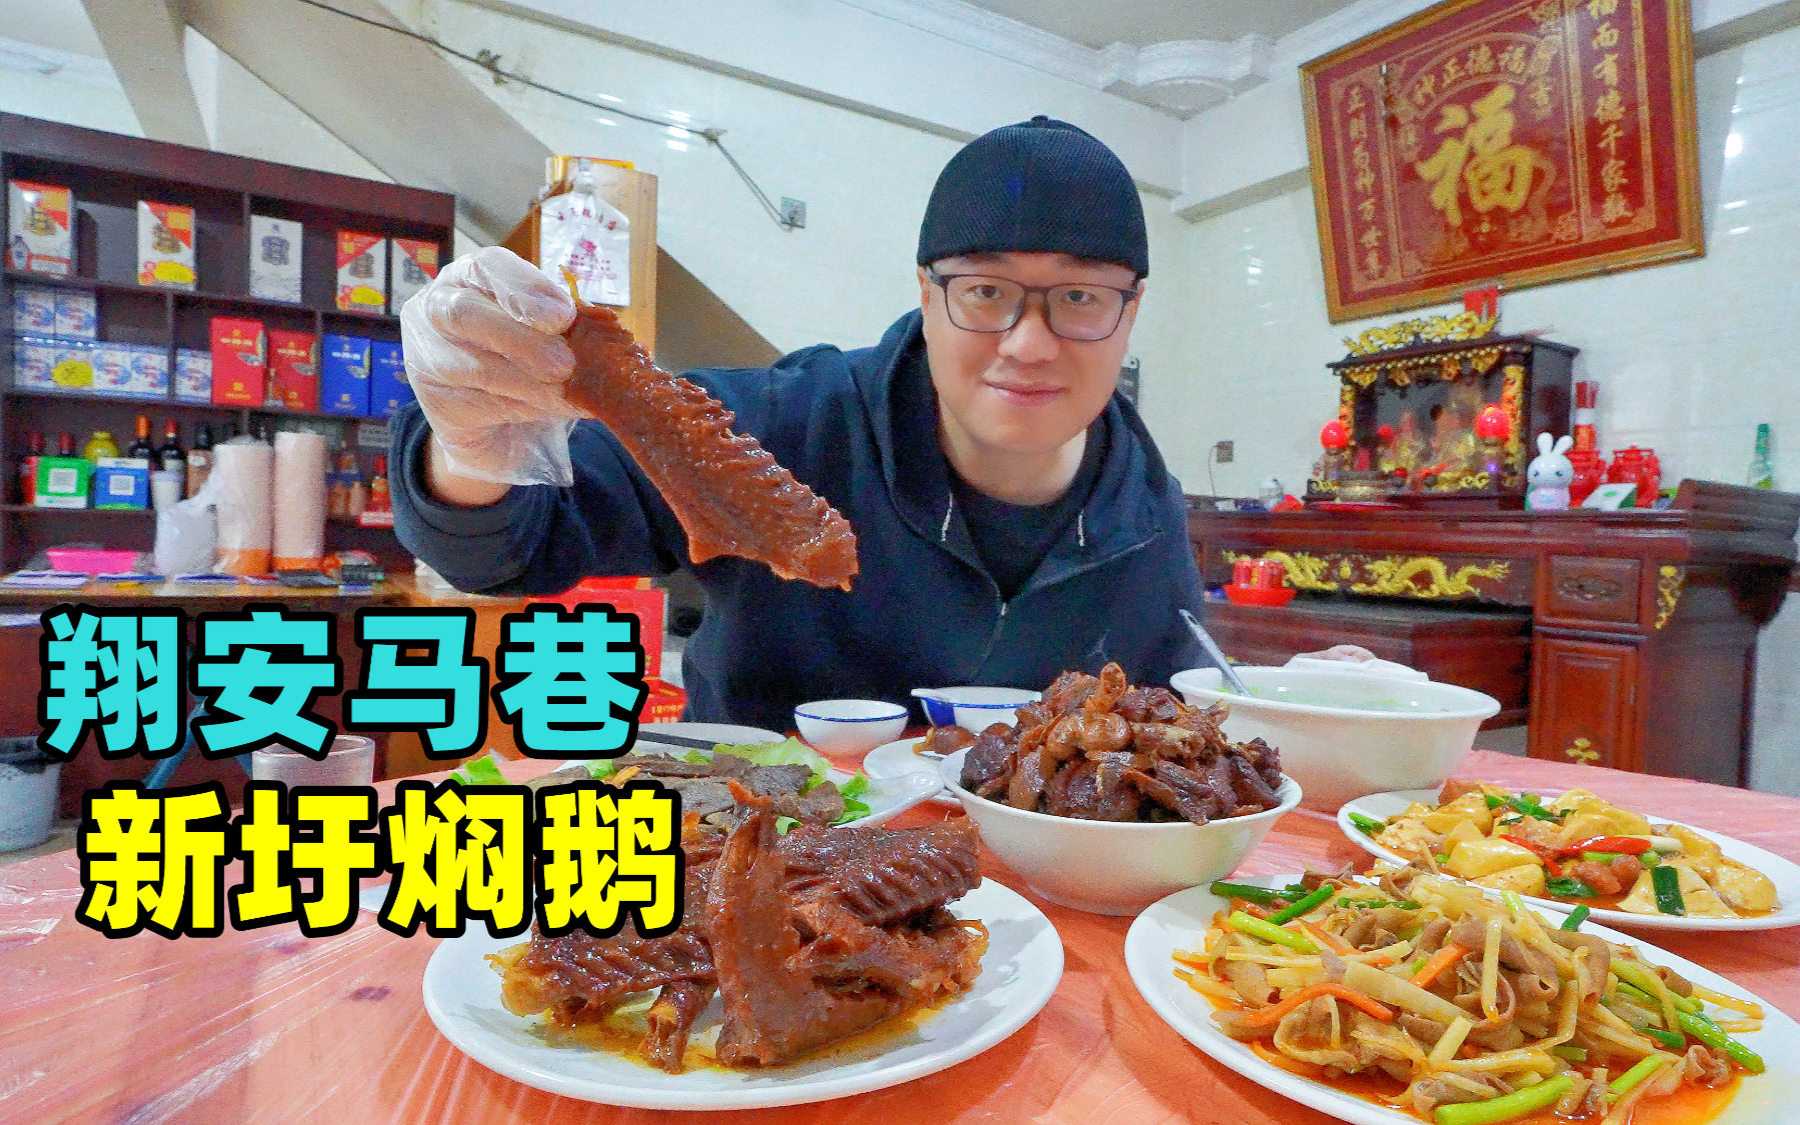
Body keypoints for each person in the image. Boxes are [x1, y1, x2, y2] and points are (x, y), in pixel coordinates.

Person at [392, 115, 1204, 731]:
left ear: (1130, 313)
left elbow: (1176, 727)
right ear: (926, 296)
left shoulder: (1146, 510)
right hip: (739, 860)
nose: (1028, 344)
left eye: (1081, 297)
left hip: (1031, 894)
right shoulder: (784, 424)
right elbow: (513, 545)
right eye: (986, 291)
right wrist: (470, 445)